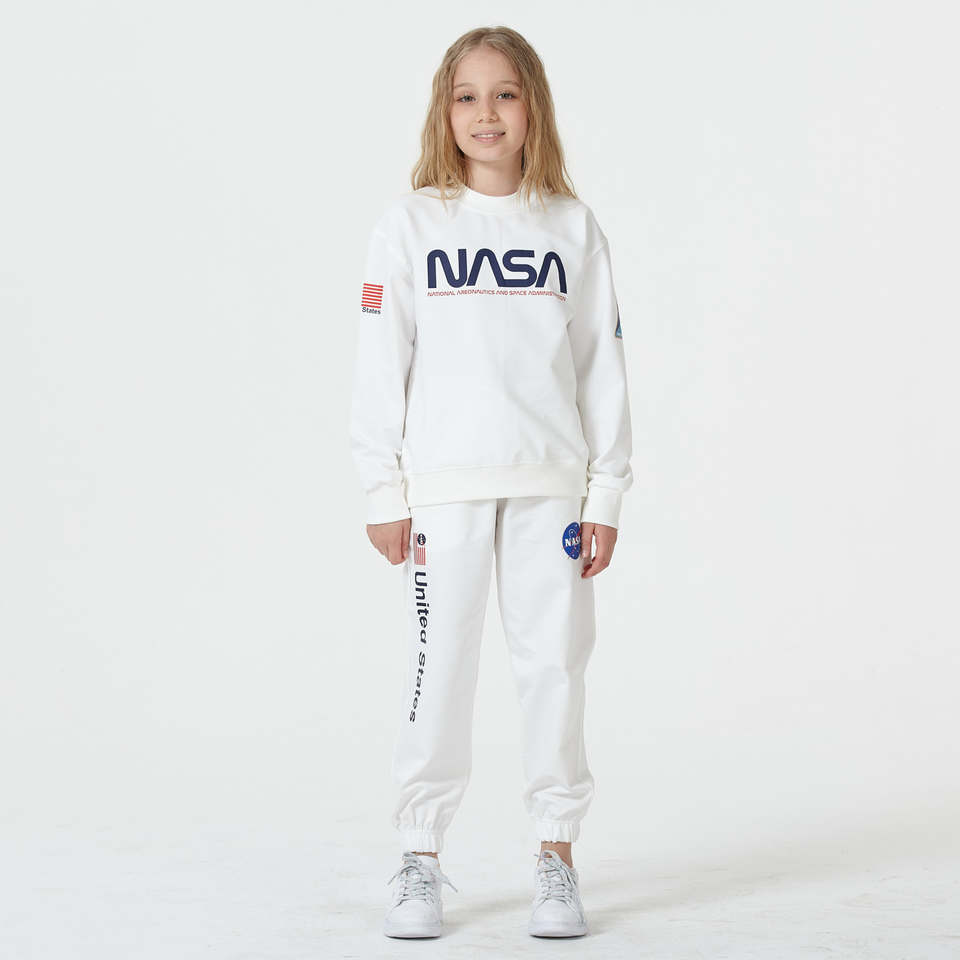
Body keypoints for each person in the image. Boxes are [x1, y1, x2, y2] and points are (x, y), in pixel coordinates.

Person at [349, 24, 633, 940]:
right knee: (440, 671)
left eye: (505, 94)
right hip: (444, 488)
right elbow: (379, 364)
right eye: (467, 96)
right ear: (445, 110)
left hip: (551, 486)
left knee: (554, 667)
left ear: (532, 106)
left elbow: (601, 368)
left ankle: (557, 854)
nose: (486, 114)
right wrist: (384, 490)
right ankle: (419, 857)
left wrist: (605, 493)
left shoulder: (570, 226)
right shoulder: (410, 225)